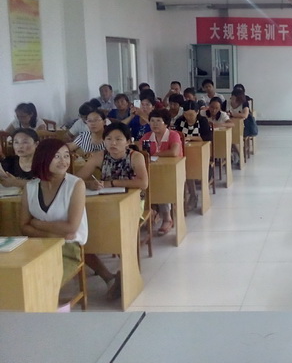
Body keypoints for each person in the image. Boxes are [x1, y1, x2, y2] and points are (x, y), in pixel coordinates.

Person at [76, 122, 149, 299]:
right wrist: (90, 184)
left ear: (128, 141)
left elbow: (143, 183)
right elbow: (76, 180)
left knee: (121, 232)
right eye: (108, 139)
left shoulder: (136, 157)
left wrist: (112, 183)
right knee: (83, 235)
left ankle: (126, 275)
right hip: (105, 203)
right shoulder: (99, 156)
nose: (113, 143)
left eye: (118, 139)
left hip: (133, 203)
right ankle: (110, 278)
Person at [19, 139, 88, 286]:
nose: (63, 161)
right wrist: (53, 235)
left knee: (43, 282)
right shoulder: (30, 187)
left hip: (67, 250)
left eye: (66, 155)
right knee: (19, 279)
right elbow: (24, 227)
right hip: (36, 247)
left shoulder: (76, 184)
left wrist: (36, 223)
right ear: (43, 158)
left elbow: (71, 228)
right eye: (57, 156)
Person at [140, 109, 183, 236]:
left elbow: (174, 152)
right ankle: (151, 211)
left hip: (172, 173)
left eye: (158, 121)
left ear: (166, 123)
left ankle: (167, 218)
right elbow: (140, 153)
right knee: (143, 183)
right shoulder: (147, 137)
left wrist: (154, 154)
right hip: (152, 171)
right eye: (152, 121)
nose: (155, 124)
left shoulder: (173, 135)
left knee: (162, 184)